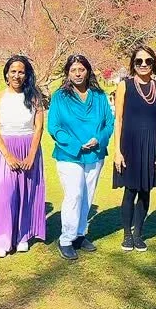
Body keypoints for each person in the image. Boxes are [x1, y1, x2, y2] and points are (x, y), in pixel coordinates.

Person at [47, 54, 114, 262]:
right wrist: (76, 144)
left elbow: (109, 123)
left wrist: (99, 139)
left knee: (87, 195)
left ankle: (79, 234)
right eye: (73, 70)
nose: (77, 73)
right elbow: (54, 127)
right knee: (74, 194)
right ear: (67, 73)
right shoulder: (59, 97)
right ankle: (66, 239)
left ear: (88, 71)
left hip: (95, 154)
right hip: (69, 154)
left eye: (81, 69)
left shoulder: (99, 96)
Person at [113, 44, 156, 252]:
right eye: (139, 61)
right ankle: (127, 235)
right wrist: (117, 151)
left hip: (153, 144)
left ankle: (138, 234)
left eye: (148, 61)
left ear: (154, 63)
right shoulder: (124, 86)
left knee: (145, 191)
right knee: (130, 190)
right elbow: (118, 120)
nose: (143, 64)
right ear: (133, 64)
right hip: (130, 144)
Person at [0, 55, 46, 257]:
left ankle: (22, 236)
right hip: (6, 148)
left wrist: (31, 155)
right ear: (6, 74)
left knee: (27, 193)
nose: (16, 75)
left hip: (29, 147)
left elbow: (38, 127)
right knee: (6, 194)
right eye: (13, 71)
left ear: (26, 74)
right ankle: (3, 239)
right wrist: (8, 155)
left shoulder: (34, 97)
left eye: (21, 72)